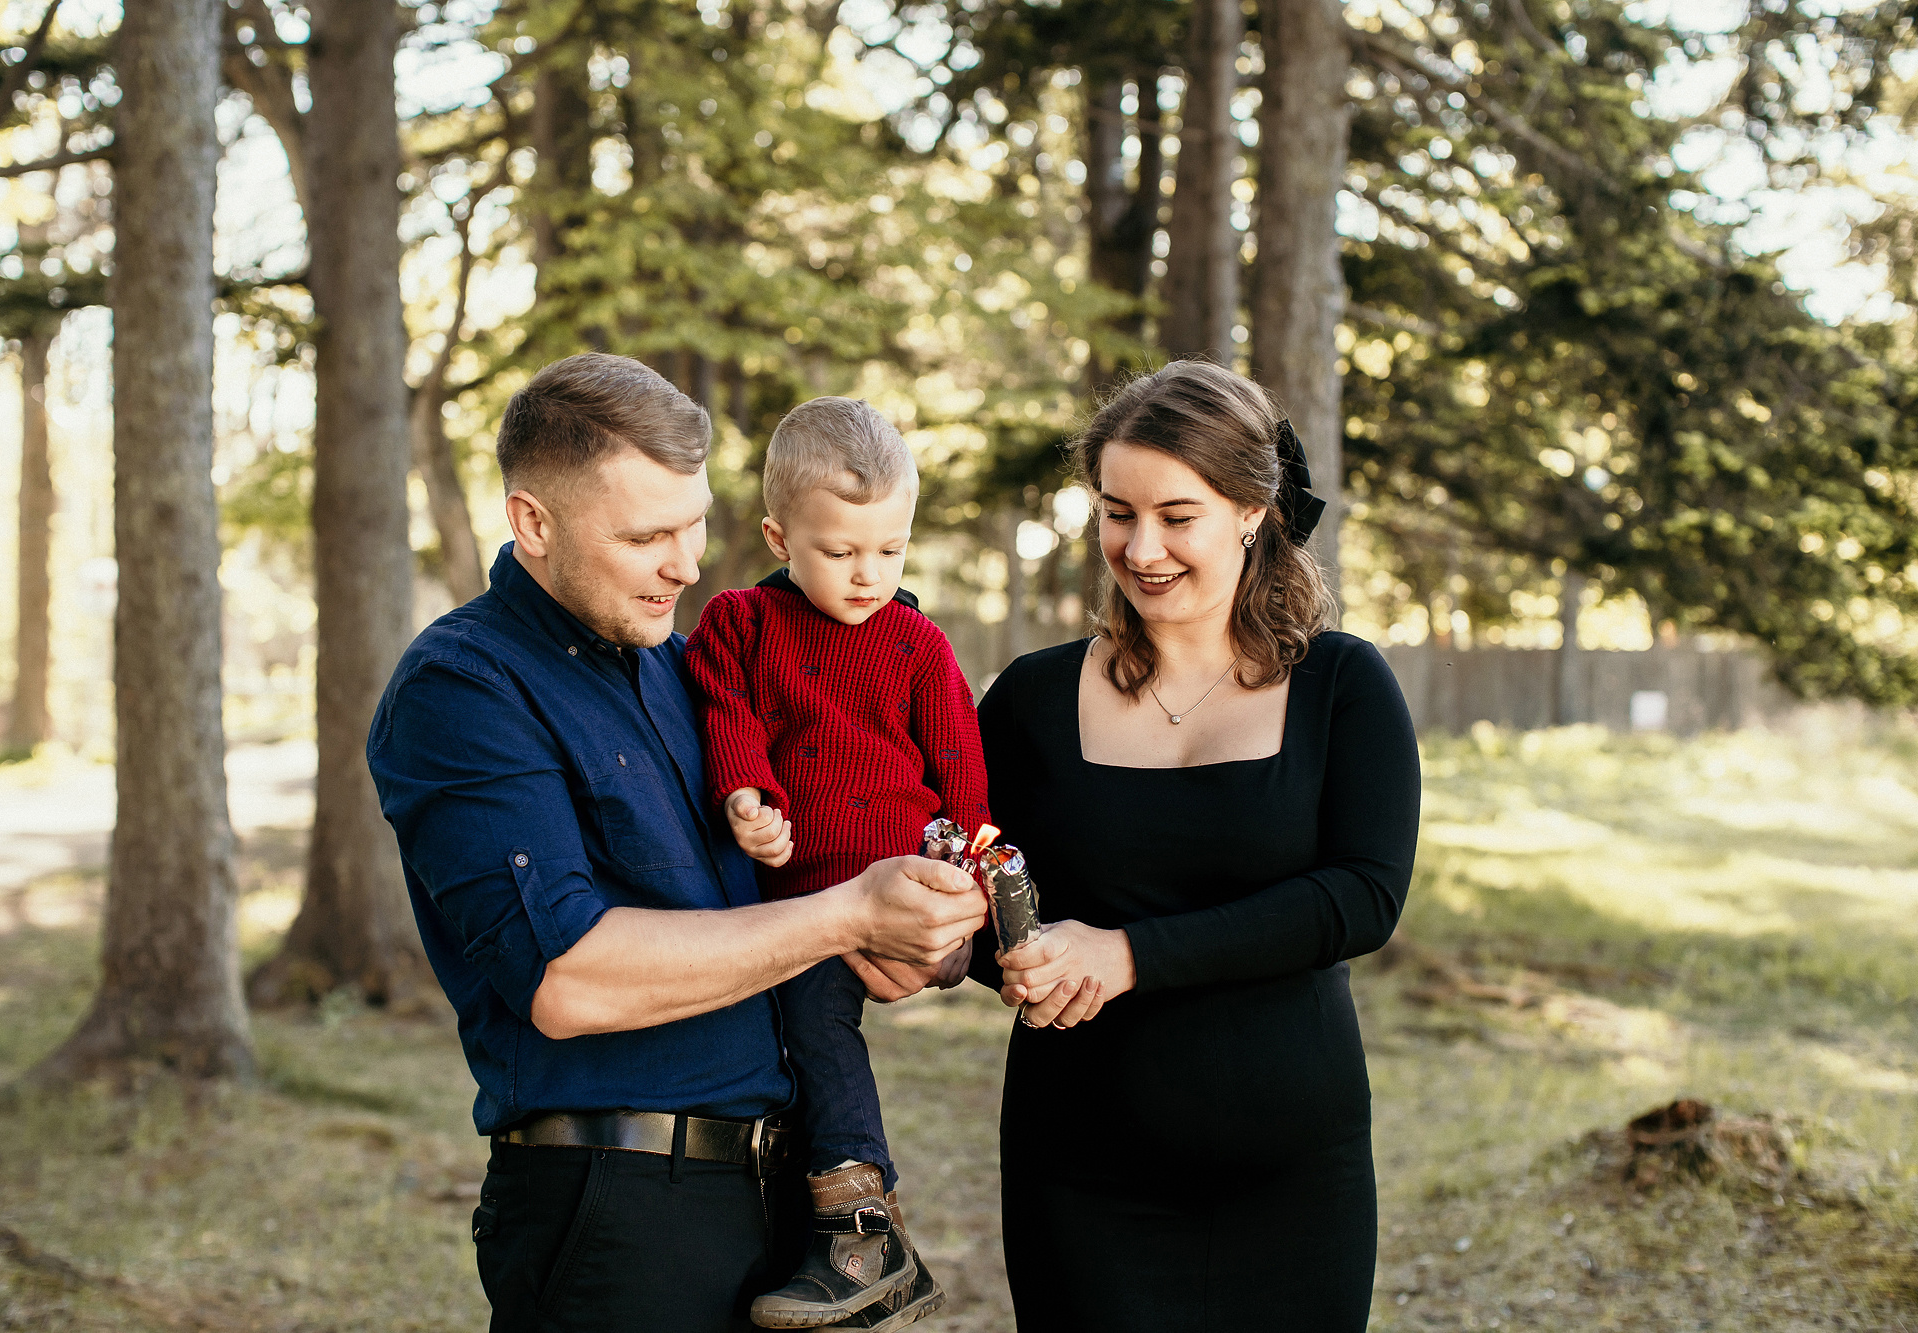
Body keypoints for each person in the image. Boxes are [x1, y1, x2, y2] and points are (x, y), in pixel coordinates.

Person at [366, 354, 988, 1333]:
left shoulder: (683, 670)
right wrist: (842, 914)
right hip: (617, 1211)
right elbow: (568, 979)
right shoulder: (464, 686)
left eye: (693, 520)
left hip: (777, 1198)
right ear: (533, 522)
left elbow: (786, 880)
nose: (686, 563)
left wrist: (899, 928)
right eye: (646, 534)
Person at [972, 359, 1421, 1331]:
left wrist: (1128, 954)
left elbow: (1360, 896)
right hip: (1079, 1174)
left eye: (1177, 516)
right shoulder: (1030, 701)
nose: (1140, 549)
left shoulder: (1342, 686)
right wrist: (994, 949)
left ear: (1251, 510)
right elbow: (980, 897)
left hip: (1291, 1174)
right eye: (1115, 512)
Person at [683, 397, 988, 1329]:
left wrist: (971, 903)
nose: (867, 575)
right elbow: (722, 710)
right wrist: (746, 797)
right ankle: (790, 1220)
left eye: (888, 551)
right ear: (780, 535)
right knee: (777, 1044)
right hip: (785, 888)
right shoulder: (741, 622)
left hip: (893, 887)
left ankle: (866, 1232)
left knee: (818, 1023)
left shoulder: (917, 645)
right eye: (839, 551)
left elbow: (962, 777)